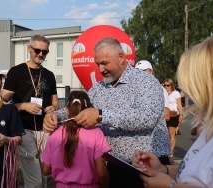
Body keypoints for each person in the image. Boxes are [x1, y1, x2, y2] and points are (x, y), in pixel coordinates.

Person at [43, 37, 171, 188]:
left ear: (121, 57)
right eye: (98, 64)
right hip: (115, 166)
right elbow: (79, 106)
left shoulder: (146, 82)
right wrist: (57, 116)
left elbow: (147, 117)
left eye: (104, 63)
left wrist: (101, 115)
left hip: (148, 166)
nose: (100, 69)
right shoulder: (99, 88)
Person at [132, 35, 213, 187]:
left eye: (194, 84)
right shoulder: (211, 128)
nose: (188, 92)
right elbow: (199, 172)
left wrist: (170, 186)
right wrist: (163, 169)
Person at [1, 34, 59, 188]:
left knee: (47, 176)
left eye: (45, 52)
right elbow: (2, 104)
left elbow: (56, 103)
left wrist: (52, 108)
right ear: (29, 49)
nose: (40, 54)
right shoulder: (16, 72)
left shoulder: (49, 75)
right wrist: (24, 106)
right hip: (24, 128)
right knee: (35, 181)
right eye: (37, 50)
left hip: (46, 129)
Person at [41, 90, 111, 187]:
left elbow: (45, 170)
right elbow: (102, 174)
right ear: (90, 108)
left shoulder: (55, 133)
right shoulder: (96, 133)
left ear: (66, 109)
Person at [162, 78, 183, 156]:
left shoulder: (175, 93)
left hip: (173, 115)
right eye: (164, 85)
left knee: (171, 135)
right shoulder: (162, 92)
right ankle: (165, 150)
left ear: (171, 85)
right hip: (164, 115)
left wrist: (181, 115)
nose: (166, 87)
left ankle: (170, 152)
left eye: (168, 85)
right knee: (164, 134)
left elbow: (179, 104)